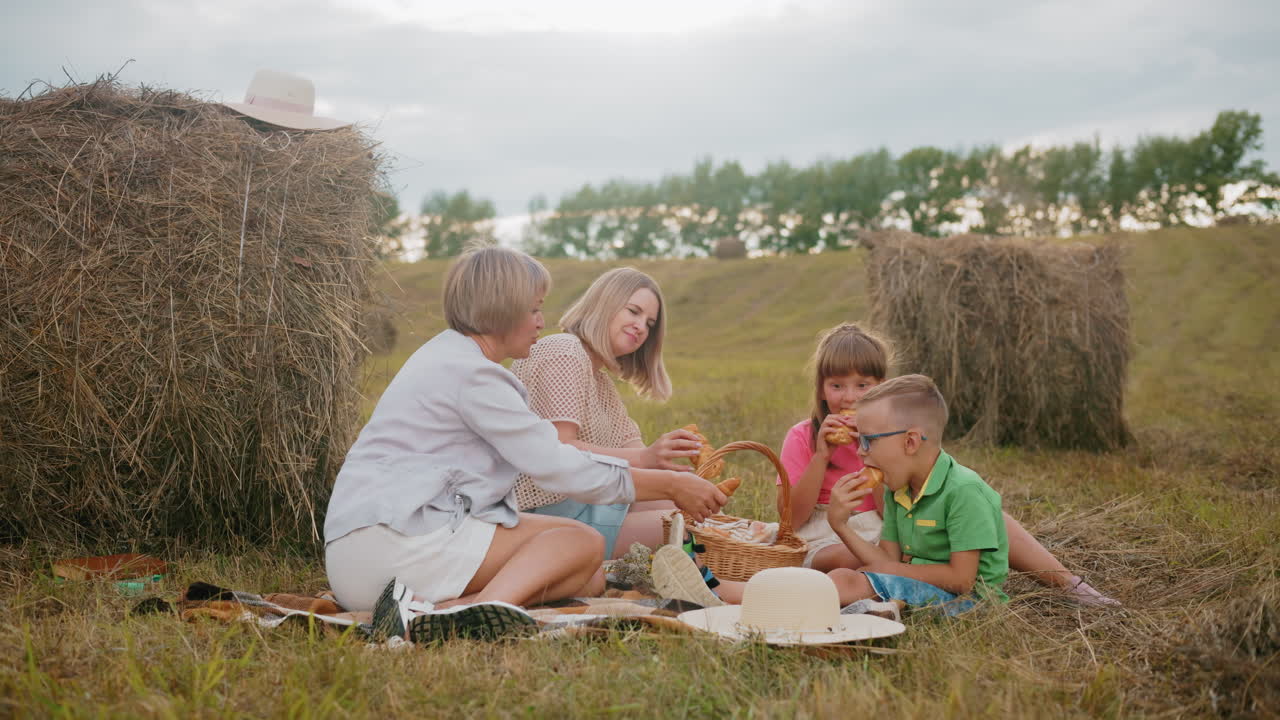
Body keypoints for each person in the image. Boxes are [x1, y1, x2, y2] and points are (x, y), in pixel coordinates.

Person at [323, 246, 725, 642]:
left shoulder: (446, 356)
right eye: (534, 309)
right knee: (583, 542)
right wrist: (671, 486)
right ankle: (471, 615)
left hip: (368, 548)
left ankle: (433, 611)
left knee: (589, 575)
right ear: (502, 310)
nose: (541, 320)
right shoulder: (475, 375)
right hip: (391, 547)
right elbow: (558, 464)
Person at [654, 323, 1118, 607]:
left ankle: (1067, 582)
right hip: (821, 530)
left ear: (882, 387)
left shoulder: (889, 444)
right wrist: (821, 454)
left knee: (990, 515)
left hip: (884, 524)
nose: (849, 397)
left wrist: (869, 453)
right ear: (821, 388)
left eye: (863, 385)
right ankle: (813, 592)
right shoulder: (803, 435)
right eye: (837, 385)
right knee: (845, 558)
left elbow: (894, 503)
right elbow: (791, 521)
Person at [510, 267, 704, 559]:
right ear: (605, 304)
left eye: (649, 323)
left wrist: (677, 472)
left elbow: (639, 455)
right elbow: (561, 450)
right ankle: (711, 590)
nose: (641, 327)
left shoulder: (602, 385)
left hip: (587, 502)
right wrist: (648, 459)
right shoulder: (564, 351)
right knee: (687, 529)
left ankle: (708, 581)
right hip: (543, 514)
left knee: (692, 511)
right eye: (633, 312)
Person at [824, 374, 1007, 613]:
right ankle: (870, 611)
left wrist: (893, 571)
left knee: (846, 582)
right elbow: (887, 560)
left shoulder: (964, 490)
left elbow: (962, 580)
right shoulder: (898, 490)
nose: (859, 452)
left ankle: (851, 611)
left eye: (868, 441)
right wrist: (839, 524)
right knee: (843, 578)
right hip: (917, 585)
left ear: (910, 442)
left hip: (971, 602)